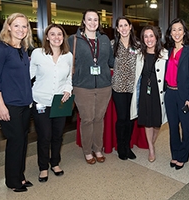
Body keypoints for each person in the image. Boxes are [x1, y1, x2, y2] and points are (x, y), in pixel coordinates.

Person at [0, 13, 33, 192]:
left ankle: (20, 177)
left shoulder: (23, 49)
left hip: (23, 103)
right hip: (9, 104)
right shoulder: (0, 49)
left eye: (24, 26)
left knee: (22, 141)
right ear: (8, 27)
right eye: (17, 26)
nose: (21, 29)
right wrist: (1, 106)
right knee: (15, 142)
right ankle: (12, 181)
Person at [68, 9, 114, 164]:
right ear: (83, 21)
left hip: (104, 85)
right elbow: (66, 62)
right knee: (87, 119)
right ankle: (87, 151)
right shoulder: (73, 39)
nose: (93, 23)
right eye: (89, 19)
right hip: (82, 86)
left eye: (96, 19)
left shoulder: (106, 39)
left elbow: (112, 61)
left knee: (99, 118)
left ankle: (98, 148)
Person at [30, 24, 73, 182]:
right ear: (47, 37)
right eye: (52, 34)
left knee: (57, 135)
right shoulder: (37, 54)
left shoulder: (68, 55)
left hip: (60, 102)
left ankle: (55, 163)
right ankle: (43, 167)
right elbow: (29, 76)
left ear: (63, 37)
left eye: (59, 34)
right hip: (40, 101)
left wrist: (68, 89)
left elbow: (69, 77)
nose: (56, 37)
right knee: (44, 136)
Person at [164, 18, 189, 170]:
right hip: (170, 94)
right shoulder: (168, 51)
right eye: (173, 30)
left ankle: (183, 156)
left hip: (184, 96)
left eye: (179, 29)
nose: (176, 33)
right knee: (172, 127)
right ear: (170, 33)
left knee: (186, 127)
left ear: (184, 32)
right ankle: (175, 154)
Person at [130, 25, 168, 162]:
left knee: (157, 122)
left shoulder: (165, 54)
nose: (149, 39)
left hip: (159, 92)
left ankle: (152, 141)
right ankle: (151, 149)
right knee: (147, 121)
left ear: (156, 37)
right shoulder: (139, 54)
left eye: (151, 36)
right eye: (145, 36)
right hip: (145, 92)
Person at [112, 16, 140, 160]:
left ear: (130, 27)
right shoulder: (113, 45)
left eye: (125, 25)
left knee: (130, 118)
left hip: (133, 88)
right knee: (122, 118)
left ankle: (128, 146)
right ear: (117, 29)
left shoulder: (138, 45)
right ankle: (121, 146)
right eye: (120, 26)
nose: (123, 28)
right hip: (118, 87)